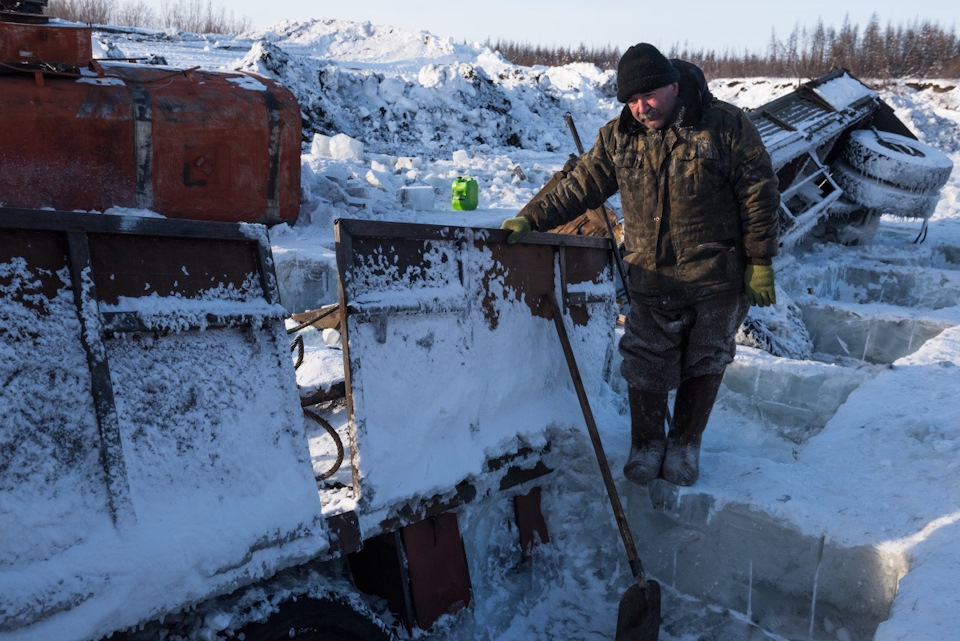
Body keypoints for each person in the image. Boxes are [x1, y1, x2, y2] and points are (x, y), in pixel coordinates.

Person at [501, 43, 780, 486]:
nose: (640, 107)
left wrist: (760, 259)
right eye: (631, 100)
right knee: (645, 359)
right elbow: (581, 186)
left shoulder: (725, 126)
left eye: (648, 96)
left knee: (706, 358)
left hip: (717, 275)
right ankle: (647, 444)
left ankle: (686, 444)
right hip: (652, 275)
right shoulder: (619, 135)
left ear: (673, 85)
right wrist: (532, 217)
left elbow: (759, 194)